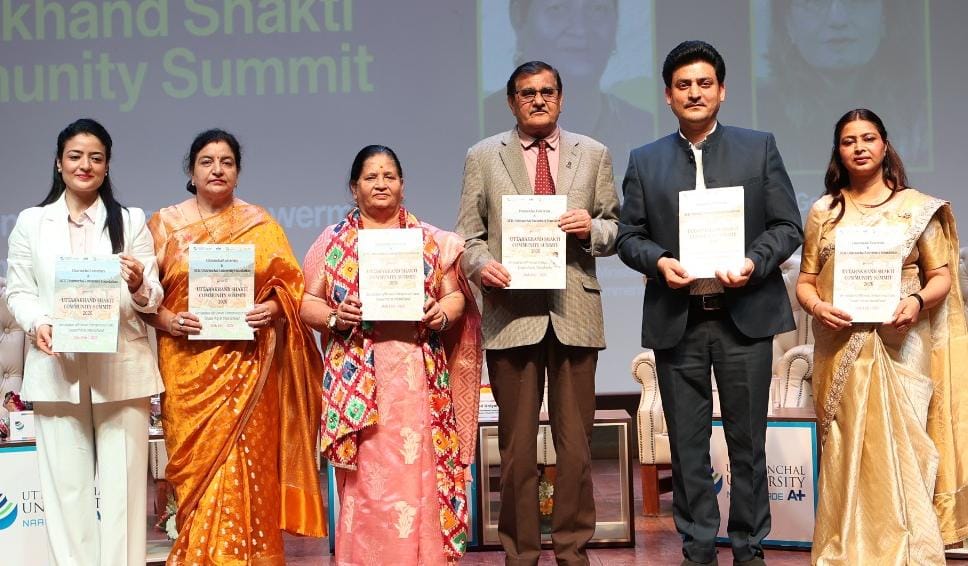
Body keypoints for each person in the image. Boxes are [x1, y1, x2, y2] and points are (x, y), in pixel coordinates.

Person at [616, 41, 803, 566]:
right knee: (687, 446)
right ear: (668, 96)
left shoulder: (758, 147)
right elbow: (628, 236)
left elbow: (787, 226)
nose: (694, 93)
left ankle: (748, 548)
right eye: (683, 85)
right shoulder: (645, 160)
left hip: (744, 318)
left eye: (704, 83)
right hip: (679, 322)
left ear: (721, 90)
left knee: (748, 444)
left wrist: (754, 262)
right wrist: (658, 261)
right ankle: (698, 548)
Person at [456, 60, 620, 566]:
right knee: (517, 451)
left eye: (547, 91)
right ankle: (521, 554)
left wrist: (590, 228)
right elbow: (468, 238)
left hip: (575, 312)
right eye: (527, 93)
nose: (538, 100)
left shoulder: (594, 153)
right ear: (512, 102)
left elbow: (616, 229)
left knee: (576, 449)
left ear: (561, 98)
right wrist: (482, 267)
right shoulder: (484, 156)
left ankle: (572, 551)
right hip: (512, 313)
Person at [141, 129, 325, 564]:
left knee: (249, 468)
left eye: (227, 162)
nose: (217, 169)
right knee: (198, 476)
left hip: (249, 368)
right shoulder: (164, 225)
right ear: (191, 172)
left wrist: (273, 309)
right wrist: (169, 320)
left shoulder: (260, 224)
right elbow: (144, 299)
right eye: (207, 162)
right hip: (187, 371)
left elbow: (290, 287)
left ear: (238, 172)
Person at [795, 108, 968, 565]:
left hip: (902, 341)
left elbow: (940, 277)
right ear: (838, 151)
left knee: (906, 446)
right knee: (847, 446)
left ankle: (910, 551)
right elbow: (806, 281)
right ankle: (845, 550)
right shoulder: (824, 211)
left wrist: (915, 302)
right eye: (849, 140)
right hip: (840, 345)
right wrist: (818, 307)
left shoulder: (916, 208)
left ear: (885, 145)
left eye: (868, 138)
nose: (859, 147)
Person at [302, 145, 482, 565]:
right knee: (368, 484)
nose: (381, 184)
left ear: (402, 185)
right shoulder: (331, 241)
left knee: (418, 474)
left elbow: (454, 297)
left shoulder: (431, 240)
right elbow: (307, 302)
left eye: (389, 176)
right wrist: (335, 317)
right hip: (357, 383)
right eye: (370, 177)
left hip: (417, 377)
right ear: (354, 188)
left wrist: (441, 314)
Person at [4, 117, 164, 565]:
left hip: (122, 369)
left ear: (107, 165)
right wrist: (38, 322)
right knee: (67, 494)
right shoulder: (32, 222)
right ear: (59, 163)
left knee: (124, 495)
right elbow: (19, 291)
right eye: (75, 156)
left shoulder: (130, 220)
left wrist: (138, 283)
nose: (85, 165)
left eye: (96, 157)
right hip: (57, 366)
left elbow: (153, 296)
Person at [481, 0, 654, 181]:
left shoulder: (644, 128)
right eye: (557, 8)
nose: (580, 30)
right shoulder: (482, 125)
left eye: (597, 9)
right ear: (518, 18)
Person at [756, 0, 929, 172]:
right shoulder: (760, 112)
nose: (838, 20)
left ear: (885, 16)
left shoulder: (923, 115)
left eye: (855, 2)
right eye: (815, 3)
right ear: (788, 23)